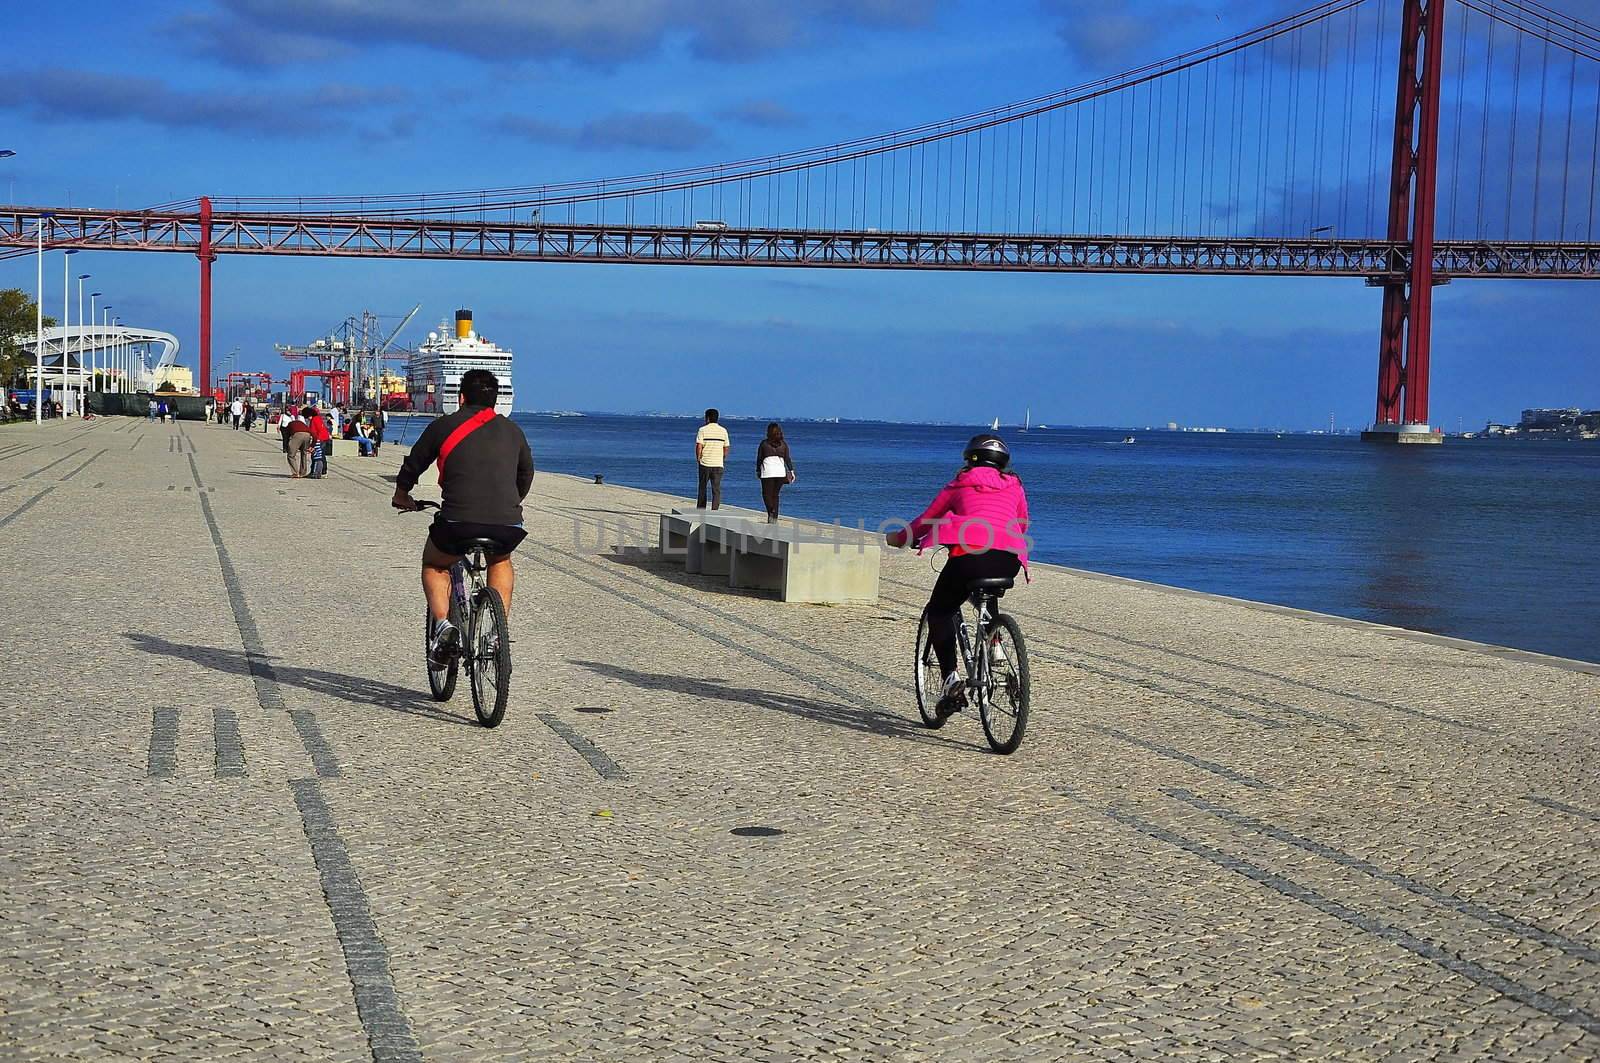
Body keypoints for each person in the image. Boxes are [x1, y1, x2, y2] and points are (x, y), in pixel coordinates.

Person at [392, 369, 534, 666]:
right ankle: (497, 633)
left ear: (460, 397)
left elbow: (414, 463)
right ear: (496, 401)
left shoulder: (443, 426)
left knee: (434, 562)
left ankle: (443, 626)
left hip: (458, 522)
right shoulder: (514, 431)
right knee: (500, 560)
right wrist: (511, 502)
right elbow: (526, 473)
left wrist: (402, 494)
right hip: (507, 523)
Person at [887, 434, 1031, 716]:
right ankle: (996, 643)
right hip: (1008, 559)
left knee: (940, 611)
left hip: (969, 557)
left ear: (969, 459)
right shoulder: (1015, 486)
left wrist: (897, 538)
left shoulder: (958, 484)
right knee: (986, 592)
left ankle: (952, 680)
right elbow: (1022, 523)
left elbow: (925, 521)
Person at [755, 422, 795, 523]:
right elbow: (787, 459)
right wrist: (792, 472)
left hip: (768, 472)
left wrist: (758, 470)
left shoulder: (764, 444)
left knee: (766, 494)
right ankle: (774, 518)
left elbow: (759, 459)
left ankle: (771, 510)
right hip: (780, 472)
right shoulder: (783, 444)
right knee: (775, 495)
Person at [694, 408, 731, 510]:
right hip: (718, 464)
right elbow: (726, 447)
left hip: (705, 463)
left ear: (708, 418)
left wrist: (698, 458)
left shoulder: (702, 430)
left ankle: (701, 509)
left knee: (702, 488)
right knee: (716, 489)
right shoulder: (723, 431)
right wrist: (722, 458)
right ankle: (715, 509)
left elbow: (699, 446)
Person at [284, 408, 314, 478]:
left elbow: (287, 437)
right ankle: (303, 472)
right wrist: (312, 444)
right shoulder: (303, 424)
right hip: (307, 435)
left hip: (297, 435)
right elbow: (312, 433)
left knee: (291, 455)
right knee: (304, 454)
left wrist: (287, 447)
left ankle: (295, 473)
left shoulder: (290, 424)